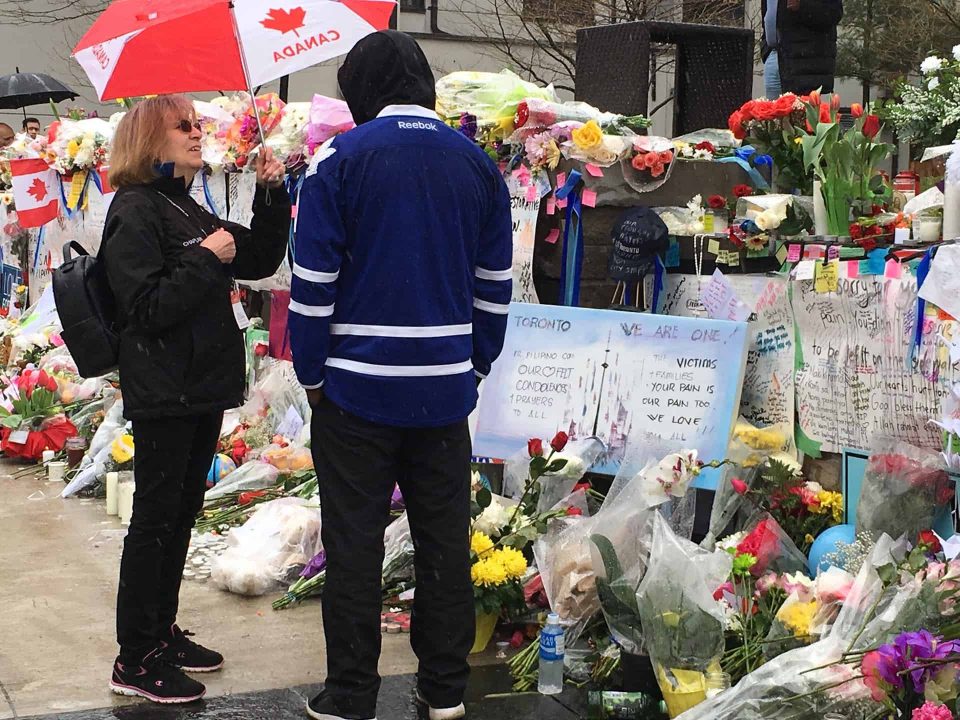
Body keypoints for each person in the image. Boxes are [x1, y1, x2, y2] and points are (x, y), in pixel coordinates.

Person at [289, 30, 512, 720]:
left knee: (352, 542)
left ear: (360, 90)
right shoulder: (476, 165)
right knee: (442, 538)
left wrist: (313, 374)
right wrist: (473, 365)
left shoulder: (339, 160)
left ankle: (351, 692)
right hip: (444, 392)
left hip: (354, 391)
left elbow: (313, 284)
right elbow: (495, 288)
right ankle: (444, 689)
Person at [101, 95, 290, 704]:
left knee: (179, 517)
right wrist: (206, 260)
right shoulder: (134, 209)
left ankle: (161, 633)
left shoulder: (182, 204)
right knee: (154, 523)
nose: (196, 133)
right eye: (182, 126)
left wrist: (269, 192)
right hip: (164, 391)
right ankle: (135, 657)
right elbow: (146, 308)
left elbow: (259, 257)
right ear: (147, 140)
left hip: (198, 388)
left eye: (196, 124)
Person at [761, 0, 843, 97]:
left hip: (805, 66)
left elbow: (834, 12)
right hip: (774, 57)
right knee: (772, 110)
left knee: (802, 111)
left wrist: (802, 6)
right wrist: (766, 50)